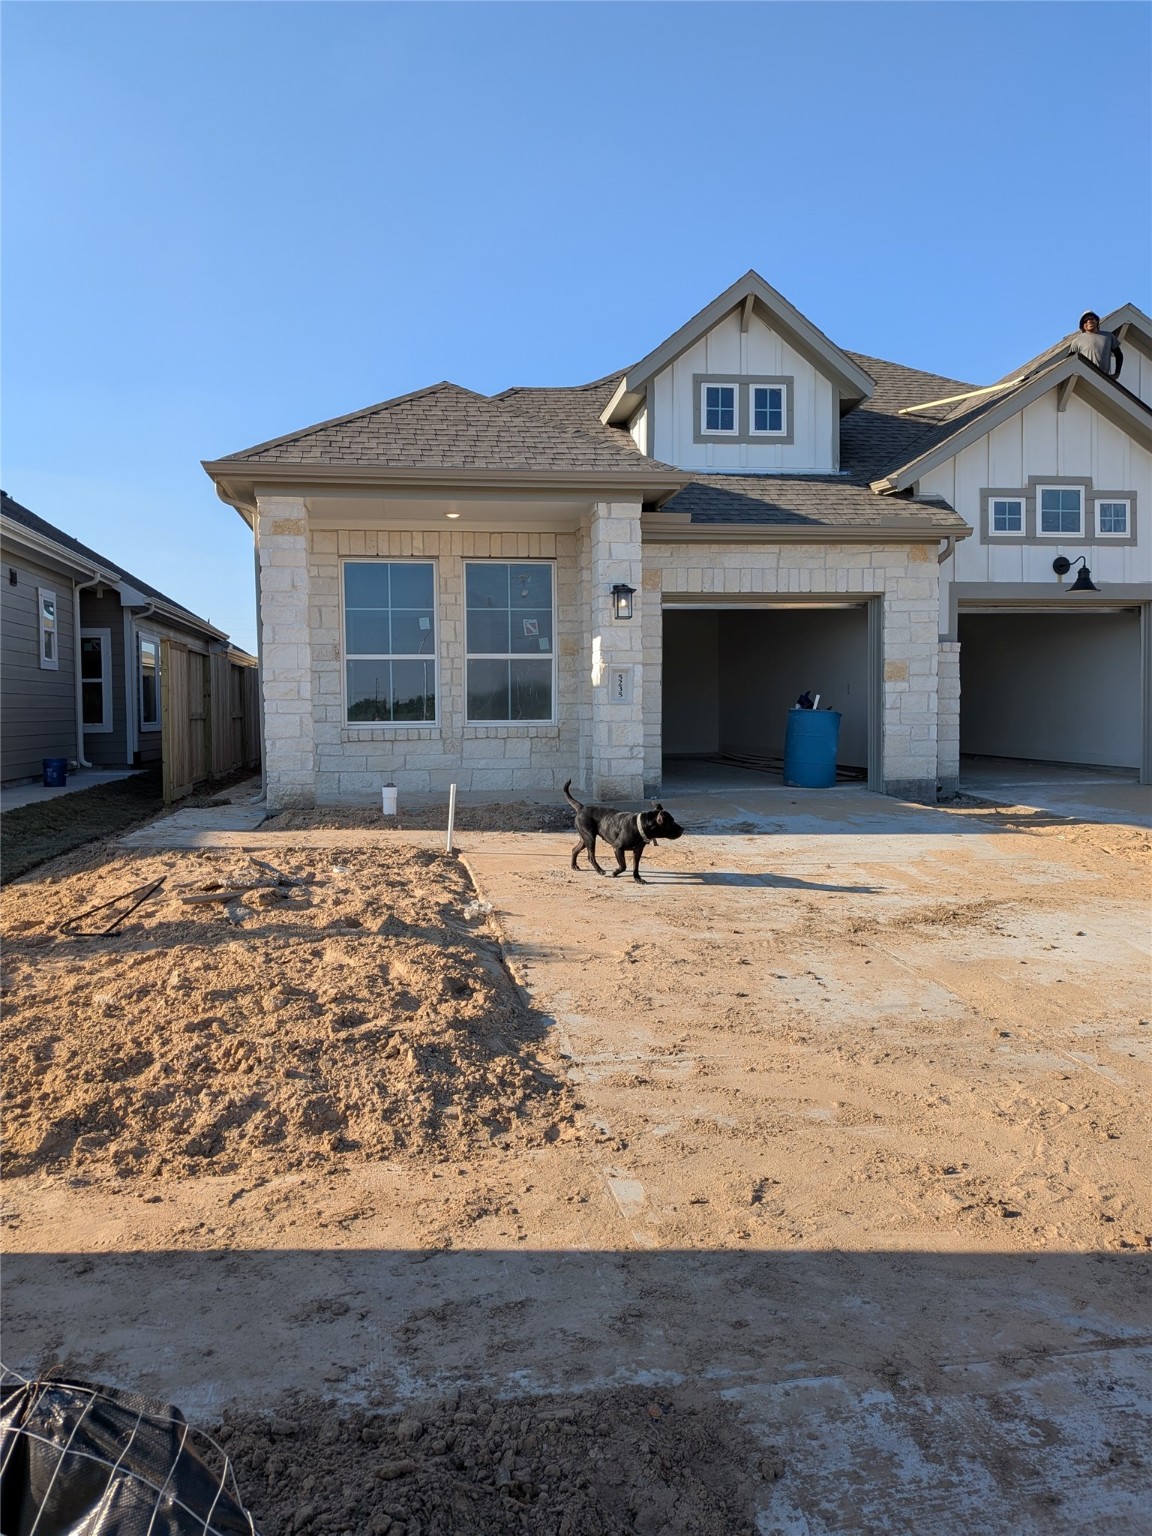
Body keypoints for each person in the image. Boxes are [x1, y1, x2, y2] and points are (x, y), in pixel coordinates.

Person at [1068, 311, 1124, 379]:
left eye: (1091, 318)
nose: (1089, 321)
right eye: (1085, 320)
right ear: (1082, 325)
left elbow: (1119, 355)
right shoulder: (1077, 340)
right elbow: (1070, 360)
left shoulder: (1108, 336)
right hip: (1084, 377)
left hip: (1103, 378)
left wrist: (1117, 373)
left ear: (1096, 321)